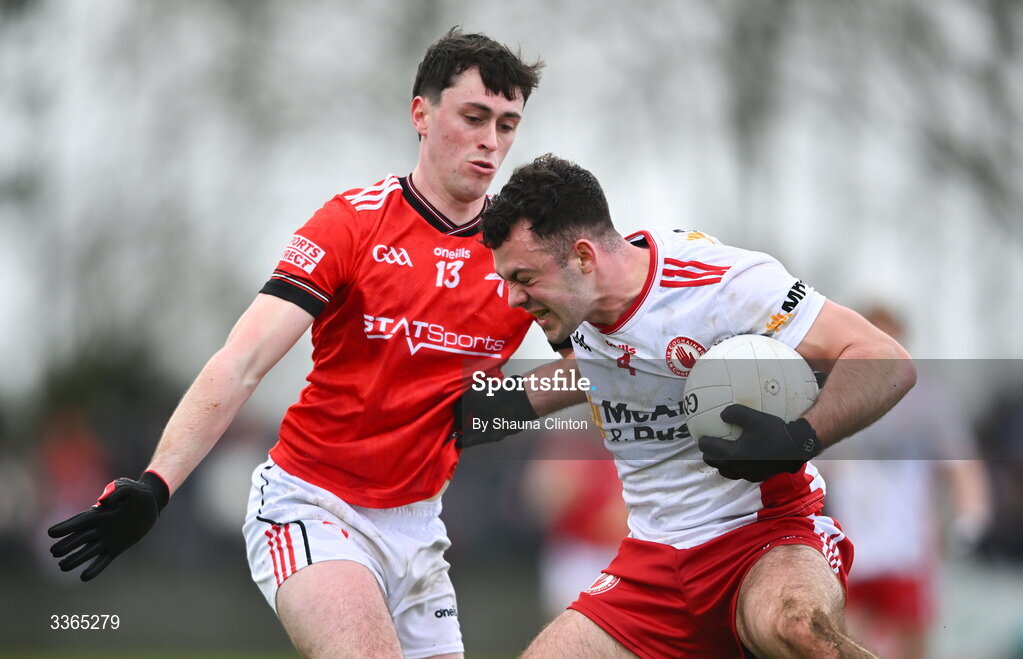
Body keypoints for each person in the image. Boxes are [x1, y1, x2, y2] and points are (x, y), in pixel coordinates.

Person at [47, 28, 544, 659]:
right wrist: (157, 482)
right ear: (420, 113)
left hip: (420, 528)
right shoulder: (352, 224)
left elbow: (582, 367)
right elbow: (244, 359)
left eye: (507, 125)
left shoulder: (521, 257)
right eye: (473, 117)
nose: (490, 141)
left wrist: (515, 403)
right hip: (313, 505)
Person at [467, 154, 917, 658]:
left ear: (584, 258)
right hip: (652, 561)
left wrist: (799, 438)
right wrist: (477, 412)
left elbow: (886, 360)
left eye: (523, 278)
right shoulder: (577, 315)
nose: (511, 299)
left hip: (764, 539)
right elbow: (597, 373)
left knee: (800, 631)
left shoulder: (721, 285)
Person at [819, 305, 990, 659]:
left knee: (913, 644)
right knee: (848, 644)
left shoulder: (927, 403)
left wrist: (972, 511)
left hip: (908, 549)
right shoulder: (834, 399)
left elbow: (960, 463)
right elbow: (812, 472)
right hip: (854, 550)